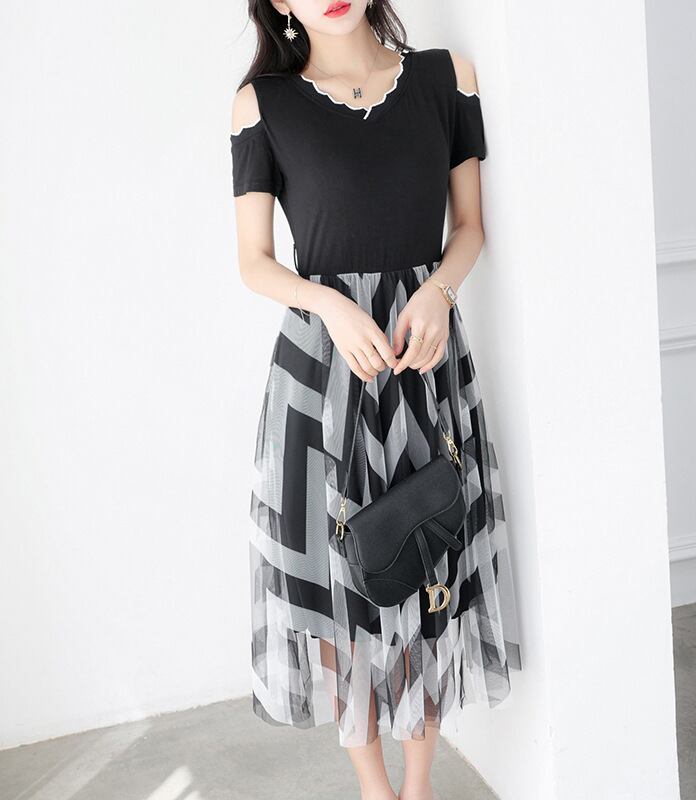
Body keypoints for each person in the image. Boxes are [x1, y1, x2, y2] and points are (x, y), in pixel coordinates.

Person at [229, 2, 522, 798]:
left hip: (421, 358)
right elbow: (254, 261)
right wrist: (328, 304)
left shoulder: (443, 79)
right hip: (324, 372)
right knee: (334, 584)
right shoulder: (263, 104)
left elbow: (470, 227)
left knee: (427, 563)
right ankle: (373, 787)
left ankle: (417, 787)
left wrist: (438, 293)